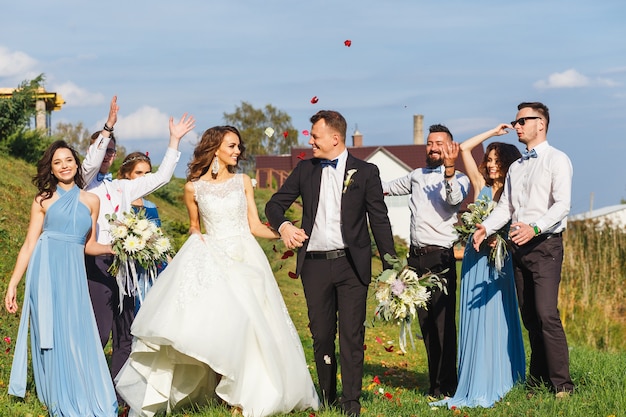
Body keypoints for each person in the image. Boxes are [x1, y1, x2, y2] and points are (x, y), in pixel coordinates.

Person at [115, 125, 320, 417]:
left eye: (238, 147)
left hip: (245, 259)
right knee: (219, 326)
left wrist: (285, 234)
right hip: (211, 259)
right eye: (232, 146)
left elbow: (254, 226)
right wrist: (195, 247)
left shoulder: (243, 182)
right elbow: (195, 228)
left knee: (251, 324)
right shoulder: (192, 188)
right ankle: (221, 390)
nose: (238, 151)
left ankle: (244, 396)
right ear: (215, 148)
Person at [266, 110, 396, 417]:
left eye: (315, 136)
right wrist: (284, 226)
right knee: (322, 334)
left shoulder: (366, 172)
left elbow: (379, 219)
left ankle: (351, 403)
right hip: (314, 265)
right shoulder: (305, 170)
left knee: (352, 335)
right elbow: (274, 204)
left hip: (352, 265)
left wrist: (390, 266)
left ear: (334, 138)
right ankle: (327, 397)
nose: (310, 141)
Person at [83, 108, 195, 405]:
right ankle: (88, 389)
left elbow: (161, 177)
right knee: (100, 331)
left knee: (126, 333)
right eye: (103, 150)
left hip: (125, 265)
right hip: (97, 262)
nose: (107, 156)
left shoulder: (122, 186)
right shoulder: (84, 184)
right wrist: (107, 127)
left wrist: (174, 142)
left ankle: (118, 397)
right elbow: (91, 163)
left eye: (112, 152)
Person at [5, 140, 118, 416]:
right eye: (57, 162)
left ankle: (82, 388)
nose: (64, 166)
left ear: (77, 164)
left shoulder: (92, 201)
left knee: (76, 332)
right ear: (52, 170)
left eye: (68, 160)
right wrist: (13, 284)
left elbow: (88, 244)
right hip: (45, 268)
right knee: (51, 330)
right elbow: (30, 243)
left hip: (74, 272)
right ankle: (53, 393)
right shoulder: (43, 199)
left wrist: (115, 247)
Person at [473, 102, 575, 398]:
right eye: (515, 122)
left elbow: (562, 205)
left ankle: (563, 385)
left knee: (546, 314)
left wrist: (535, 227)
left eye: (522, 121)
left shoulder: (557, 159)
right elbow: (506, 208)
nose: (516, 126)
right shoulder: (516, 167)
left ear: (540, 123)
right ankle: (539, 380)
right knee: (530, 316)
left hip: (545, 246)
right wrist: (486, 227)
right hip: (518, 249)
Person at [433, 127, 525, 408]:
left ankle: (502, 378)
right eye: (490, 159)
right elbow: (463, 149)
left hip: (500, 263)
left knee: (499, 319)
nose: (493, 165)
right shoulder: (478, 185)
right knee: (474, 318)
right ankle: (473, 380)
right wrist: (493, 131)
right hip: (475, 261)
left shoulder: (515, 191)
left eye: (498, 160)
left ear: (508, 163)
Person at [382, 124, 469, 399]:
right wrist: (357, 183)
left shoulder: (461, 178)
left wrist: (450, 171)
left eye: (439, 143)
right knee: (426, 323)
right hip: (415, 260)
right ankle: (435, 385)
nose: (433, 147)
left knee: (444, 324)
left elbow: (453, 200)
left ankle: (448, 387)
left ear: (450, 147)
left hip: (440, 257)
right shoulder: (416, 176)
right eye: (430, 143)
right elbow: (386, 189)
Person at [116, 152, 167, 312]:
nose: (144, 178)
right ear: (126, 174)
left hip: (154, 266)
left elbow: (159, 236)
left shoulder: (151, 206)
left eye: (147, 173)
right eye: (139, 173)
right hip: (129, 268)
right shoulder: (120, 203)